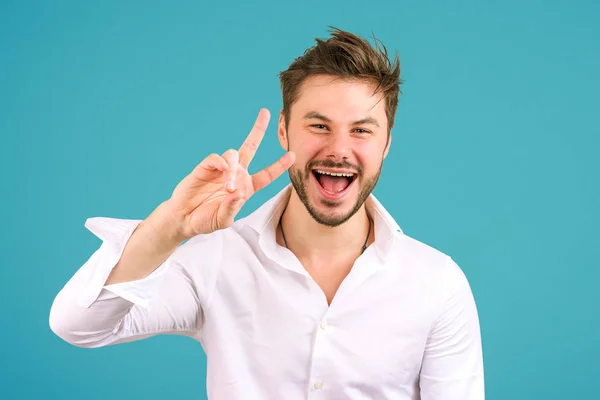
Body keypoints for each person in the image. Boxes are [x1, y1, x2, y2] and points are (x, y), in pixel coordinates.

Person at [49, 28, 484, 399]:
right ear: (283, 129)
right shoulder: (215, 259)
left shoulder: (437, 284)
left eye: (361, 130)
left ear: (386, 144)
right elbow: (77, 326)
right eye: (319, 125)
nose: (338, 149)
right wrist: (170, 224)